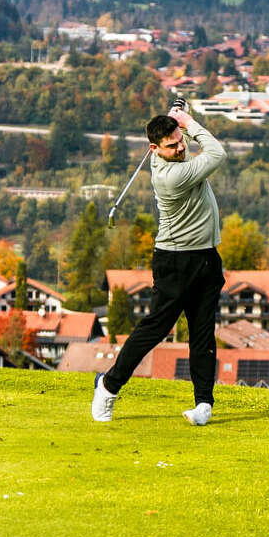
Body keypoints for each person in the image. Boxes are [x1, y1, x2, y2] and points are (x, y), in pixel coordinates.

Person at [91, 98, 227, 425]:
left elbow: (190, 146)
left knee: (203, 333)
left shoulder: (174, 153)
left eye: (181, 142)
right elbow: (218, 153)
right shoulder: (171, 177)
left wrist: (177, 123)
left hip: (206, 257)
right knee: (156, 329)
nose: (181, 148)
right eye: (172, 145)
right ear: (154, 149)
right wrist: (189, 122)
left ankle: (203, 403)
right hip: (175, 261)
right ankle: (108, 387)